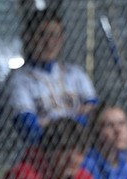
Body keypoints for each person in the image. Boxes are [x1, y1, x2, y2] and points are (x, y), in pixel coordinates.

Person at [6, 4, 98, 146]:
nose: (49, 42)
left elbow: (96, 117)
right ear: (28, 37)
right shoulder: (18, 80)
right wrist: (76, 117)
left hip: (81, 149)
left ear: (61, 39)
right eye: (42, 35)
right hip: (44, 151)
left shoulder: (75, 74)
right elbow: (29, 129)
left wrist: (48, 122)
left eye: (54, 35)